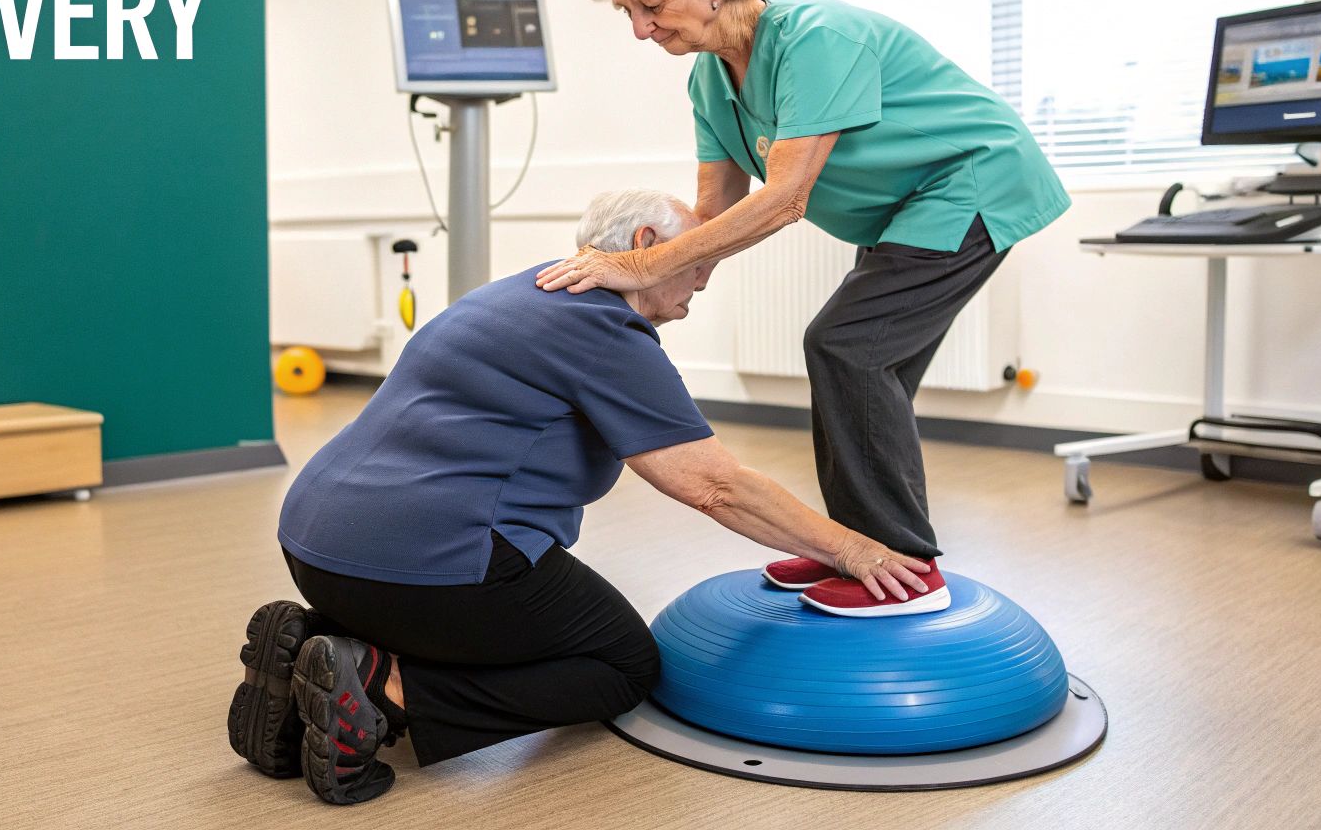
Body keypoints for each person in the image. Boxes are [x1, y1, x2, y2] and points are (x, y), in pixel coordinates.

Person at [228, 189, 937, 806]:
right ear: (646, 245)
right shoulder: (604, 328)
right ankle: (384, 688)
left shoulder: (517, 290)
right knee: (620, 665)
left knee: (500, 610)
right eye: (699, 264)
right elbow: (713, 485)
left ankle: (312, 656)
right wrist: (851, 546)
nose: (702, 287)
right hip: (432, 563)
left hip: (317, 545)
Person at [541, 0, 1071, 612]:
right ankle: (856, 549)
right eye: (628, 14)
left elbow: (786, 198)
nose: (641, 29)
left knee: (844, 347)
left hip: (972, 182)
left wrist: (638, 270)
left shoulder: (817, 38)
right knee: (864, 369)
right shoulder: (708, 79)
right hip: (903, 211)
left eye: (651, 5)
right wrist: (649, 296)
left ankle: (903, 566)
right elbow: (715, 213)